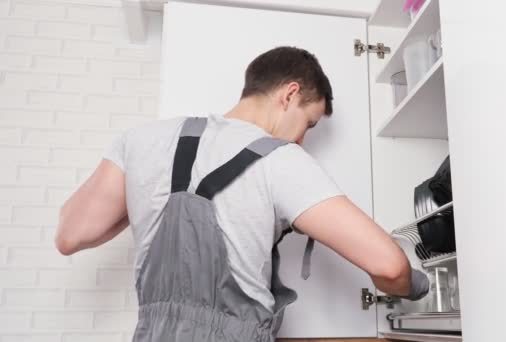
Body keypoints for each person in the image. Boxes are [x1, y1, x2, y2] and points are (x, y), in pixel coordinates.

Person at [55, 46, 429, 341]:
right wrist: (416, 285)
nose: (302, 138)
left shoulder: (138, 141)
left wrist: (142, 193)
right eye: (308, 123)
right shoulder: (282, 160)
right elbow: (389, 265)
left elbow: (70, 235)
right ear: (289, 94)